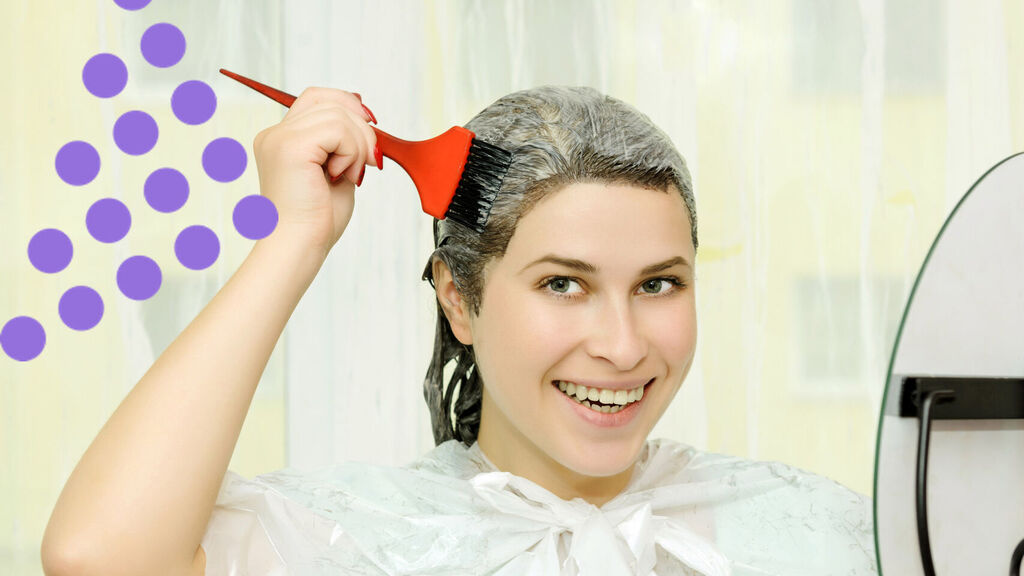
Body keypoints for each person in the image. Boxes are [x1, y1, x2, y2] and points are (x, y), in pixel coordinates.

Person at [41, 86, 876, 576]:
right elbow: (100, 558)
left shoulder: (805, 531)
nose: (623, 347)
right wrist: (295, 236)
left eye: (658, 284)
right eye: (563, 284)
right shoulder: (364, 542)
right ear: (459, 300)